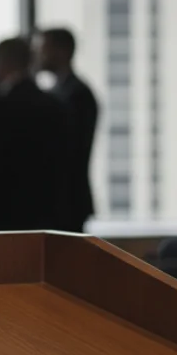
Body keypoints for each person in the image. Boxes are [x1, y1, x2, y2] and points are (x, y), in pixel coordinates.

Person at [0, 37, 69, 230]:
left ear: (3, 62)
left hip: (6, 212)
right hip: (45, 210)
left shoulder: (3, 105)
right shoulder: (53, 104)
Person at [38, 27, 99, 233]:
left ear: (62, 51)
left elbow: (71, 150)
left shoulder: (78, 94)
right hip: (57, 201)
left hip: (66, 201)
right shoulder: (61, 91)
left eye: (43, 48)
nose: (38, 55)